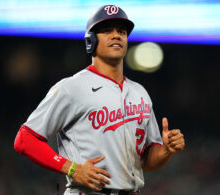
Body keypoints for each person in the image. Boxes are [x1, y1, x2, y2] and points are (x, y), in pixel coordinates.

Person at [14, 5, 185, 195]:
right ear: (91, 41)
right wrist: (71, 168)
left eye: (121, 31)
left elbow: (145, 161)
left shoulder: (140, 92)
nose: (116, 35)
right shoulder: (72, 88)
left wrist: (166, 150)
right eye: (106, 31)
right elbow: (25, 139)